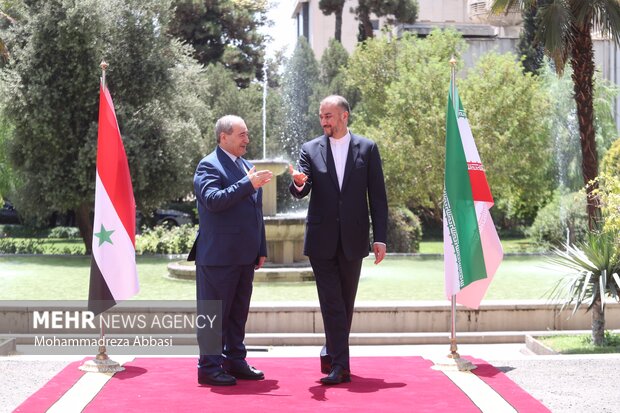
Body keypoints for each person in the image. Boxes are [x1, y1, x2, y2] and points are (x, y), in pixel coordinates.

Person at [289, 95, 388, 385]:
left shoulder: (367, 149)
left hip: (354, 238)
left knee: (345, 302)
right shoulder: (310, 149)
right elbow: (302, 188)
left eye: (329, 116)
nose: (324, 121)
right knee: (331, 301)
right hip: (321, 239)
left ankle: (330, 351)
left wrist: (379, 238)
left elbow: (378, 197)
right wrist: (298, 183)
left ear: (344, 116)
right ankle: (339, 366)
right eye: (321, 116)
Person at [190, 115, 273, 386]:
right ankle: (209, 367)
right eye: (242, 135)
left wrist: (260, 247)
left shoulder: (247, 166)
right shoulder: (208, 165)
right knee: (213, 315)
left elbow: (255, 212)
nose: (247, 139)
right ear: (223, 137)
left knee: (238, 312)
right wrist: (248, 184)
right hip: (217, 256)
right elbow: (213, 200)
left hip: (245, 256)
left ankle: (235, 360)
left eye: (247, 134)